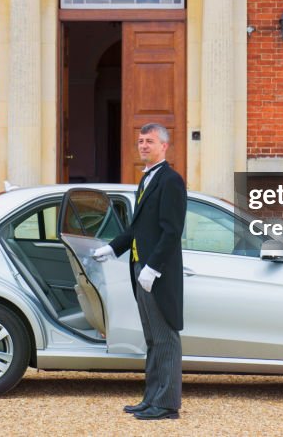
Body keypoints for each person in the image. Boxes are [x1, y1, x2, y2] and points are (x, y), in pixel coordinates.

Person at [92, 123, 186, 420]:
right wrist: (112, 248)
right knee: (152, 340)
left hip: (157, 274)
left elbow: (172, 232)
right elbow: (136, 228)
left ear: (164, 146)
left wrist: (153, 268)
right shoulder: (146, 180)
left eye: (150, 141)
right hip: (139, 269)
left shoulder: (171, 180)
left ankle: (167, 404)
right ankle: (152, 398)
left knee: (166, 338)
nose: (143, 145)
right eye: (141, 141)